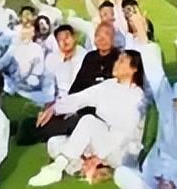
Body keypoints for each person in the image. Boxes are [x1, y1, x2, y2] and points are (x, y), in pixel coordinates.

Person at [28, 49, 148, 186]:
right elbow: (81, 98)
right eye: (117, 60)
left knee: (88, 121)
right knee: (54, 142)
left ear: (134, 69)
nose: (116, 64)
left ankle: (61, 167)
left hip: (121, 150)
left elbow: (125, 134)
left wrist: (98, 158)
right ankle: (82, 166)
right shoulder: (109, 85)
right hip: (101, 139)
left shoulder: (137, 97)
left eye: (122, 62)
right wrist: (54, 109)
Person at [114, 62, 177, 189]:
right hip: (157, 175)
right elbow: (155, 73)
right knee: (121, 174)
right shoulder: (166, 103)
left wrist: (176, 182)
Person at [17, 23, 88, 145]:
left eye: (67, 37)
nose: (64, 42)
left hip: (75, 106)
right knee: (28, 123)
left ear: (74, 37)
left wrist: (55, 108)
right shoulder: (54, 59)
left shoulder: (84, 57)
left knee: (73, 122)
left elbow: (77, 91)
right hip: (56, 105)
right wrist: (47, 108)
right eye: (60, 40)